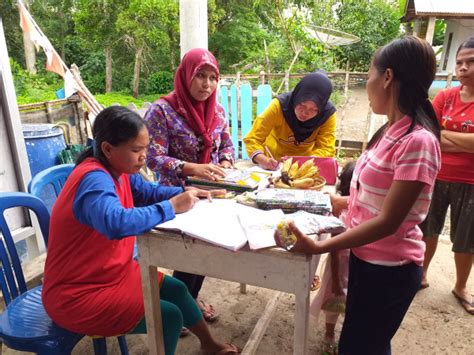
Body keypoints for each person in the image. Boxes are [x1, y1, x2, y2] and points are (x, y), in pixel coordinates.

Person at [275, 36, 441, 354]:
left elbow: (389, 221)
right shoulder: (388, 131)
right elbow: (383, 199)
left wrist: (321, 245)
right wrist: (344, 202)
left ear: (388, 77)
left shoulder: (417, 141)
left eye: (368, 77)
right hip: (366, 259)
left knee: (361, 346)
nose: (367, 86)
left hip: (390, 269)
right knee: (362, 343)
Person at [42, 106, 239, 355]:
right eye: (136, 150)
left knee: (178, 290)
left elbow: (147, 193)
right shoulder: (94, 179)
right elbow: (115, 222)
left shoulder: (119, 169)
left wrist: (187, 193)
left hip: (112, 274)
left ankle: (209, 345)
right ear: (107, 148)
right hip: (78, 293)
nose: (143, 156)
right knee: (168, 316)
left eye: (145, 148)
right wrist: (170, 207)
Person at [145, 48, 235, 323]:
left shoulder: (217, 110)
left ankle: (187, 303)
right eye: (200, 76)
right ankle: (182, 308)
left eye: (212, 77)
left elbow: (227, 145)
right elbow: (152, 157)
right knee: (189, 253)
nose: (207, 84)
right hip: (179, 196)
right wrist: (192, 168)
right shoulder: (162, 111)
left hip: (213, 193)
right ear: (185, 76)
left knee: (204, 249)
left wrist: (227, 164)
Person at [419, 37, 474, 315]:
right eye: (460, 62)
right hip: (437, 174)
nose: (463, 68)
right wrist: (466, 140)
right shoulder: (445, 97)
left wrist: (445, 136)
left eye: (470, 62)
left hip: (471, 182)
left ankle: (461, 286)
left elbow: (438, 134)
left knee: (466, 237)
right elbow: (428, 132)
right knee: (428, 227)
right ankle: (422, 273)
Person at [243, 70, 337, 170]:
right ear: (297, 96)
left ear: (321, 108)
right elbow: (253, 138)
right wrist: (263, 160)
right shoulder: (278, 106)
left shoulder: (327, 114)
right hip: (274, 163)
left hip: (305, 165)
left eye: (313, 110)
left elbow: (326, 148)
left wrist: (306, 163)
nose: (305, 113)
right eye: (302, 105)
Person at [310, 161, 355, 355]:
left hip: (357, 268)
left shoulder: (367, 213)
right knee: (334, 304)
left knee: (352, 305)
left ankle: (348, 336)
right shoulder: (340, 213)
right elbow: (335, 251)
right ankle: (329, 335)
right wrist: (335, 279)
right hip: (339, 268)